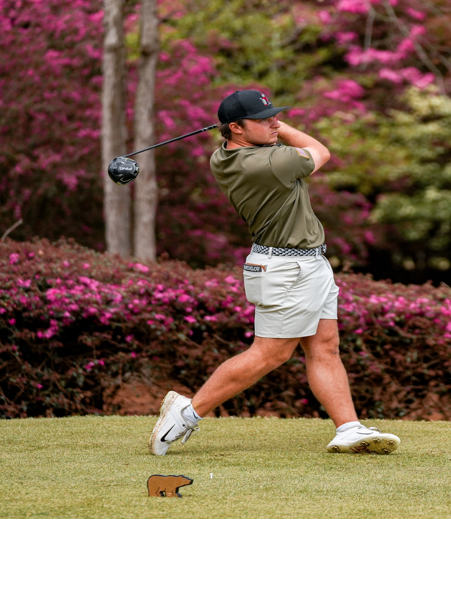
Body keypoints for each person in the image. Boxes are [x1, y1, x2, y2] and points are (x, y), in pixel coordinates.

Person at [150, 89, 400, 456]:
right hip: (288, 268)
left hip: (306, 263)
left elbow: (262, 139)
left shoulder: (223, 156)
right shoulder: (271, 163)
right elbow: (321, 151)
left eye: (275, 116)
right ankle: (186, 414)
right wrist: (281, 130)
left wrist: (264, 125)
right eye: (264, 119)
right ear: (235, 128)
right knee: (270, 353)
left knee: (325, 347)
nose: (275, 122)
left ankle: (348, 428)